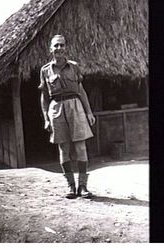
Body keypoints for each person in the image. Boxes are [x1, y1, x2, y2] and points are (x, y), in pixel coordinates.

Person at [38, 35, 95, 199]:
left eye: (62, 45)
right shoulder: (45, 70)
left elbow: (81, 90)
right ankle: (70, 186)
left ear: (66, 48)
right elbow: (44, 96)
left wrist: (89, 112)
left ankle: (83, 186)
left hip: (75, 105)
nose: (59, 48)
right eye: (56, 46)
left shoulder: (74, 67)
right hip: (56, 108)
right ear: (51, 49)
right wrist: (46, 118)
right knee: (63, 148)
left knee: (80, 146)